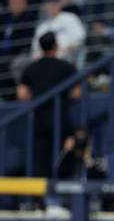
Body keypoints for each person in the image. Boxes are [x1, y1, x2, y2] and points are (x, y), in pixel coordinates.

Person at [18, 31, 81, 177]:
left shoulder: (31, 68)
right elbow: (77, 93)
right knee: (65, 157)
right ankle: (64, 193)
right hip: (61, 119)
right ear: (56, 45)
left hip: (39, 119)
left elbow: (22, 94)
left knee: (41, 161)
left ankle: (39, 198)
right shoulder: (66, 67)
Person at [0, 0, 37, 99]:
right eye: (13, 0)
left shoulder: (29, 19)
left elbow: (25, 42)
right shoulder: (2, 17)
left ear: (25, 3)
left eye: (19, 1)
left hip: (17, 55)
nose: (16, 3)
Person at [30, 0, 86, 64]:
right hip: (47, 62)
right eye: (49, 3)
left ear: (60, 4)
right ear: (45, 6)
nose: (52, 6)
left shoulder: (70, 17)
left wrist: (65, 50)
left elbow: (80, 38)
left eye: (54, 3)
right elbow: (35, 49)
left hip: (67, 59)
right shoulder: (41, 27)